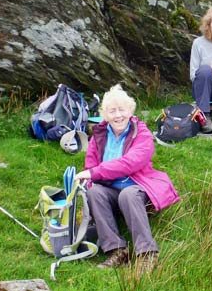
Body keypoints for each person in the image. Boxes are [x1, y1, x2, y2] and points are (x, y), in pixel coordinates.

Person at [75, 84, 179, 275]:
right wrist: (86, 184)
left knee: (128, 195)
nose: (117, 115)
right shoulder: (98, 135)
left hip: (138, 188)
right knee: (94, 192)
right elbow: (90, 166)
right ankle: (117, 251)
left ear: (130, 111)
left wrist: (93, 173)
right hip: (110, 190)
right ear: (105, 115)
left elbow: (129, 163)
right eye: (112, 111)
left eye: (122, 110)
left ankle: (147, 253)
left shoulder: (142, 134)